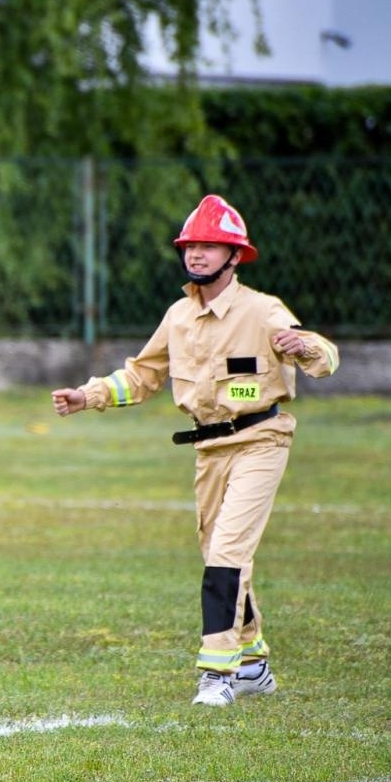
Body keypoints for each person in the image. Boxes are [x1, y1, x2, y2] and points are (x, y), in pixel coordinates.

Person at [50, 194, 339, 707]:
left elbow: (325, 359)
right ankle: (253, 662)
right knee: (220, 555)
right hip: (208, 449)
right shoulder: (178, 316)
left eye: (210, 246)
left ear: (235, 256)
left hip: (262, 440)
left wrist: (306, 347)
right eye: (191, 246)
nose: (197, 254)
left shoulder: (263, 309)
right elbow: (142, 376)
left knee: (228, 553)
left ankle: (217, 673)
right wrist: (87, 395)